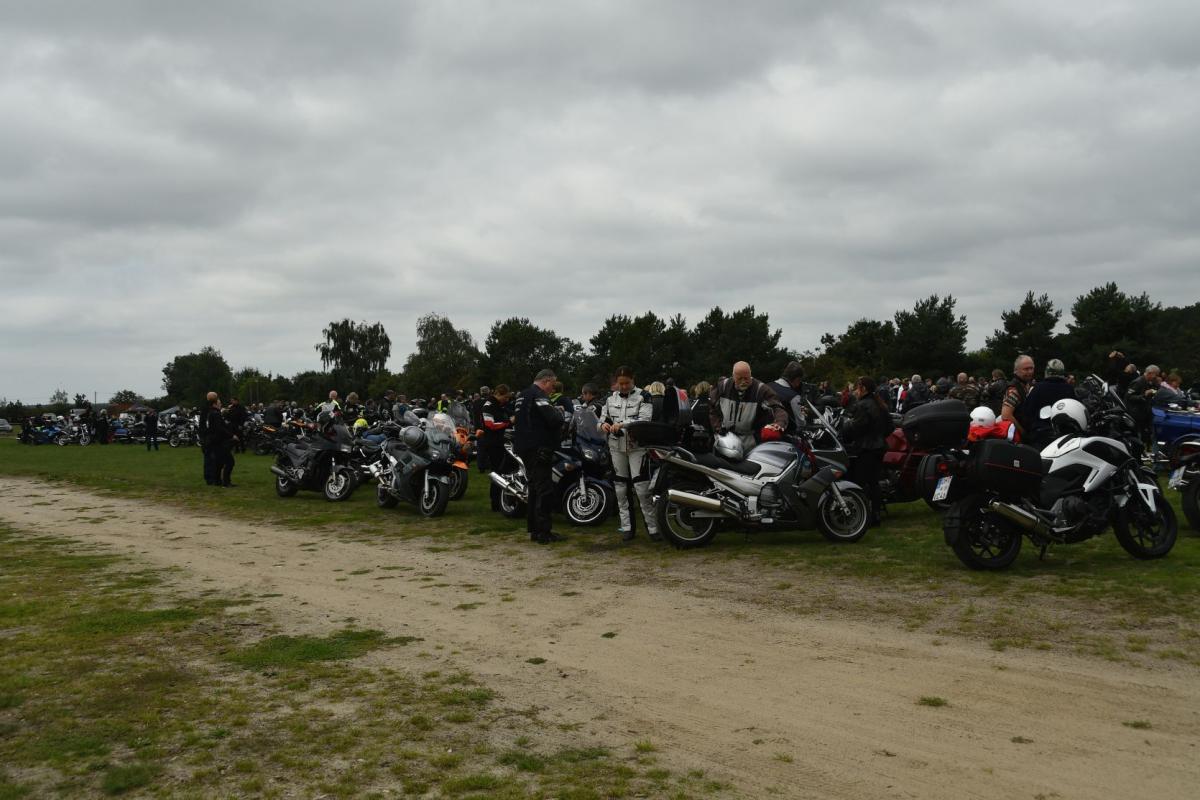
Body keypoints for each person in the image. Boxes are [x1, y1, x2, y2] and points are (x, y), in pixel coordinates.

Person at [601, 366, 659, 541]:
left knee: (642, 489)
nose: (624, 387)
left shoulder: (644, 396)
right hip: (616, 447)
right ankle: (627, 527)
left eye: (627, 383)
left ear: (633, 380)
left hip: (637, 448)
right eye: (621, 384)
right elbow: (602, 419)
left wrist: (623, 424)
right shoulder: (610, 399)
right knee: (620, 488)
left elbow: (645, 419)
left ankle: (653, 528)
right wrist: (603, 425)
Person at [513, 369, 566, 543]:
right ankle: (544, 532)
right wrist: (559, 412)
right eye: (552, 384)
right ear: (546, 381)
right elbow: (554, 419)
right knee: (544, 489)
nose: (553, 389)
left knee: (534, 488)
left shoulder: (522, 395)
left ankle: (535, 529)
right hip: (538, 447)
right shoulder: (539, 395)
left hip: (524, 446)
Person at [708, 361, 787, 457]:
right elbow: (712, 406)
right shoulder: (723, 387)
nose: (743, 381)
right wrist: (717, 427)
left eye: (746, 378)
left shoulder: (761, 390)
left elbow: (777, 408)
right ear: (733, 376)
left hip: (750, 442)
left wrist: (779, 423)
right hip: (725, 438)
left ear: (750, 374)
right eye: (739, 378)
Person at [842, 377, 890, 527]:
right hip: (879, 447)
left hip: (866, 448)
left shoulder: (863, 405)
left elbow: (857, 427)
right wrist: (879, 436)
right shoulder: (880, 404)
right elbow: (890, 427)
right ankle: (875, 514)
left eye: (858, 387)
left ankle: (864, 515)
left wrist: (846, 427)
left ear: (863, 388)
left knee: (860, 482)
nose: (856, 391)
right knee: (873, 482)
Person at [1021, 359, 1075, 449]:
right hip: (1064, 439)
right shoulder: (1069, 389)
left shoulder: (1038, 388)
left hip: (1040, 437)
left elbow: (1027, 413)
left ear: (1047, 371)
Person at [479, 385, 514, 508]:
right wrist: (509, 422)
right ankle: (495, 502)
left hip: (500, 442)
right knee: (497, 471)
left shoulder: (499, 405)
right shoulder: (488, 406)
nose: (507, 400)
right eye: (506, 397)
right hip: (493, 443)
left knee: (503, 471)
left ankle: (500, 500)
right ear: (499, 394)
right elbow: (491, 425)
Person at [205, 395, 238, 487]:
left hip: (215, 441)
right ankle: (226, 482)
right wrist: (232, 435)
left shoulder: (211, 413)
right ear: (214, 404)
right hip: (219, 441)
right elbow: (220, 428)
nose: (221, 404)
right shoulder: (215, 414)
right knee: (230, 462)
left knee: (219, 462)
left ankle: (217, 481)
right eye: (219, 403)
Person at [1000, 355, 1036, 440]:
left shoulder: (1026, 385)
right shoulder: (1014, 390)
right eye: (1026, 369)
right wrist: (1023, 433)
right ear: (1016, 371)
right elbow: (1006, 415)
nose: (1030, 371)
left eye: (1031, 368)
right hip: (1019, 440)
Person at [770, 361, 807, 434]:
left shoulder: (767, 386)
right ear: (797, 379)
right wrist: (803, 414)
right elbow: (800, 423)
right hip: (783, 435)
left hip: (761, 433)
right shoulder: (793, 396)